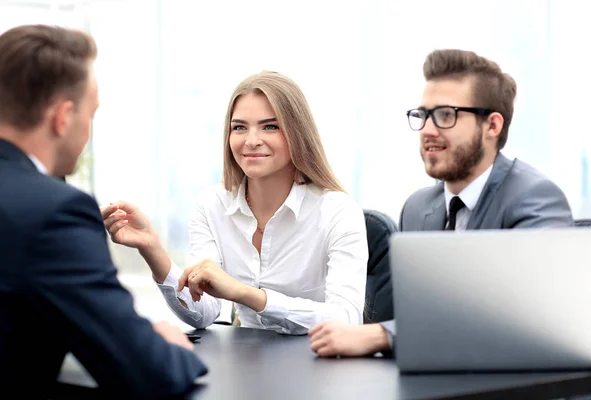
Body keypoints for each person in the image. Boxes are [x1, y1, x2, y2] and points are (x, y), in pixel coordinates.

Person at [309, 48, 573, 357]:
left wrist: (383, 335)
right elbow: (421, 317)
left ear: (492, 126)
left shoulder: (534, 198)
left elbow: (526, 321)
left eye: (446, 115)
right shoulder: (418, 208)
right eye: (422, 115)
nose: (428, 131)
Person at [0, 25, 207, 397]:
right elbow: (147, 369)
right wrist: (167, 344)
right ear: (62, 118)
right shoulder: (52, 212)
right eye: (91, 114)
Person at [103, 71, 368, 335]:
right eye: (239, 127)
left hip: (318, 362)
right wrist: (152, 248)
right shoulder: (211, 206)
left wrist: (246, 294)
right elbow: (203, 313)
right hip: (243, 362)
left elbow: (345, 320)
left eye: (270, 126)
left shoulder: (338, 212)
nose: (251, 141)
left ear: (297, 133)